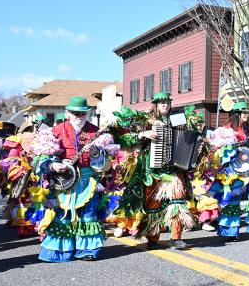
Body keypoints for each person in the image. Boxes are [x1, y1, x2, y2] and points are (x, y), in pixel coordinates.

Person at [112, 92, 197, 250]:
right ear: (156, 105)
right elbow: (123, 139)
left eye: (167, 102)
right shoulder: (144, 120)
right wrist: (142, 134)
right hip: (153, 169)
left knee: (178, 202)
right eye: (161, 102)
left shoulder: (179, 119)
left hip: (175, 168)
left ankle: (176, 238)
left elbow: (188, 137)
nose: (165, 105)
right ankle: (153, 238)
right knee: (154, 205)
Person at [35, 96, 105, 262]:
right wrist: (53, 166)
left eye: (83, 114)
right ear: (67, 112)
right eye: (75, 113)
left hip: (88, 180)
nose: (79, 117)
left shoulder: (96, 132)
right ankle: (61, 252)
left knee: (88, 215)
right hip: (63, 180)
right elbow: (42, 157)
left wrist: (96, 153)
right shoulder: (56, 130)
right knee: (63, 215)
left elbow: (103, 163)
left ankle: (86, 250)